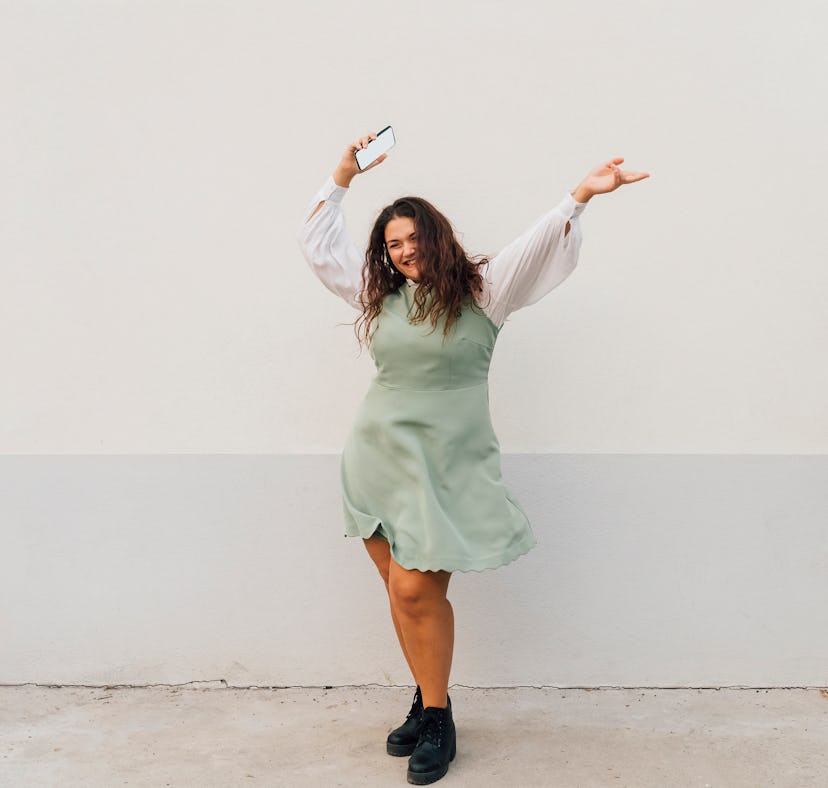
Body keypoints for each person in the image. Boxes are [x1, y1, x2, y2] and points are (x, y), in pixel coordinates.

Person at [298, 132, 649, 785]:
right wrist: (343, 175)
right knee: (403, 594)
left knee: (415, 589)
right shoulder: (376, 295)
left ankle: (438, 718)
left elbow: (536, 245)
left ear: (437, 239)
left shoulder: (484, 293)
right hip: (376, 457)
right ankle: (429, 699)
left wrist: (580, 196)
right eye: (392, 245)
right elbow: (318, 245)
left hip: (449, 466)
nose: (404, 252)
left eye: (413, 239)